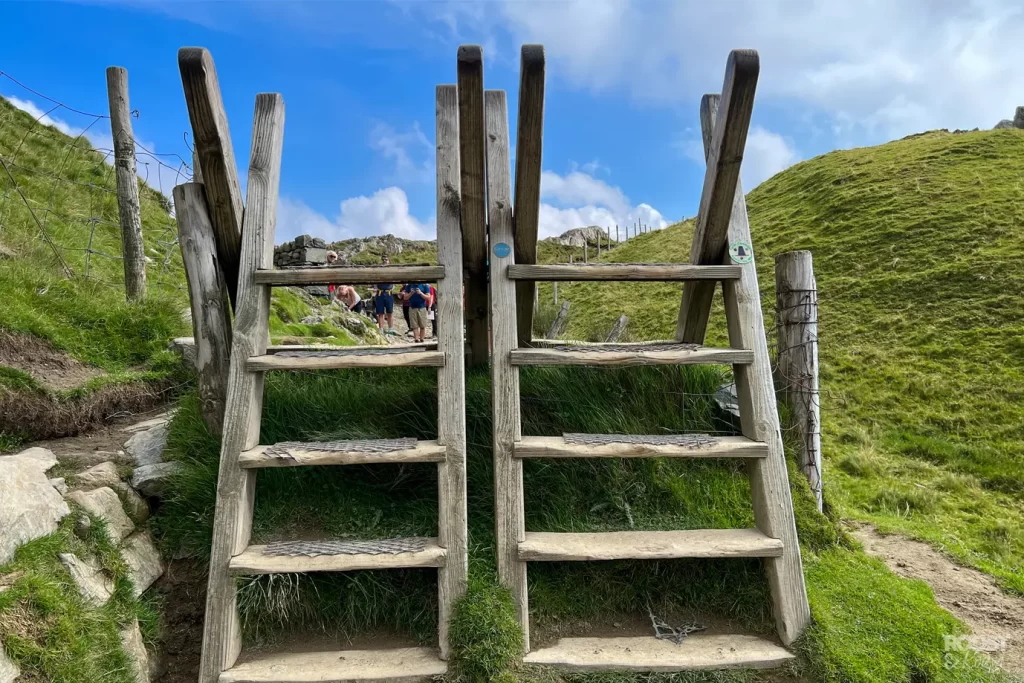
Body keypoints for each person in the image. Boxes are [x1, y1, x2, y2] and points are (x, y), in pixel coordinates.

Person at [374, 254, 395, 335]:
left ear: (389, 261)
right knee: (380, 313)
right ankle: (381, 329)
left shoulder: (391, 270)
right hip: (380, 293)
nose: (385, 261)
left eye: (386, 259)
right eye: (383, 260)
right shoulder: (378, 270)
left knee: (390, 312)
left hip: (389, 292)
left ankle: (390, 329)